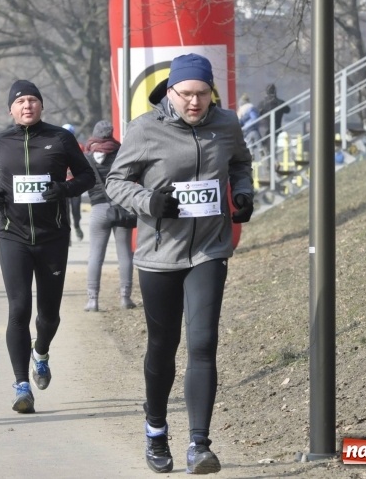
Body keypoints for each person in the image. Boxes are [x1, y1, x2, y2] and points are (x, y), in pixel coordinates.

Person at [105, 53, 254, 474]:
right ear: (170, 92)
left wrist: (242, 194)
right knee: (163, 346)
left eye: (202, 94)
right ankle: (155, 429)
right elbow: (116, 182)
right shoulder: (144, 130)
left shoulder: (226, 124)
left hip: (209, 249)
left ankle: (199, 445)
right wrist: (150, 201)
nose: (195, 103)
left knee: (203, 343)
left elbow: (240, 163)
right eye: (187, 94)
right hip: (159, 255)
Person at [0, 80, 94, 414]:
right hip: (11, 235)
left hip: (52, 236)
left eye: (32, 100)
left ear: (41, 106)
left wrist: (65, 189)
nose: (27, 106)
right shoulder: (0, 140)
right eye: (20, 102)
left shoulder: (60, 138)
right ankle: (21, 386)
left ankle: (41, 353)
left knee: (48, 314)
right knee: (18, 309)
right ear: (11, 109)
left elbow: (87, 176)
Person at [82, 120, 135, 312]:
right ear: (111, 134)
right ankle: (125, 298)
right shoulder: (120, 154)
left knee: (95, 255)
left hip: (98, 210)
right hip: (121, 208)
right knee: (125, 254)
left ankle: (92, 300)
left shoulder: (86, 157)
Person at [62, 123, 85, 241]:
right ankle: (67, 234)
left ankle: (77, 225)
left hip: (75, 183)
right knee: (64, 211)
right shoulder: (57, 146)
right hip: (62, 184)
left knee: (76, 210)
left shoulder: (79, 147)